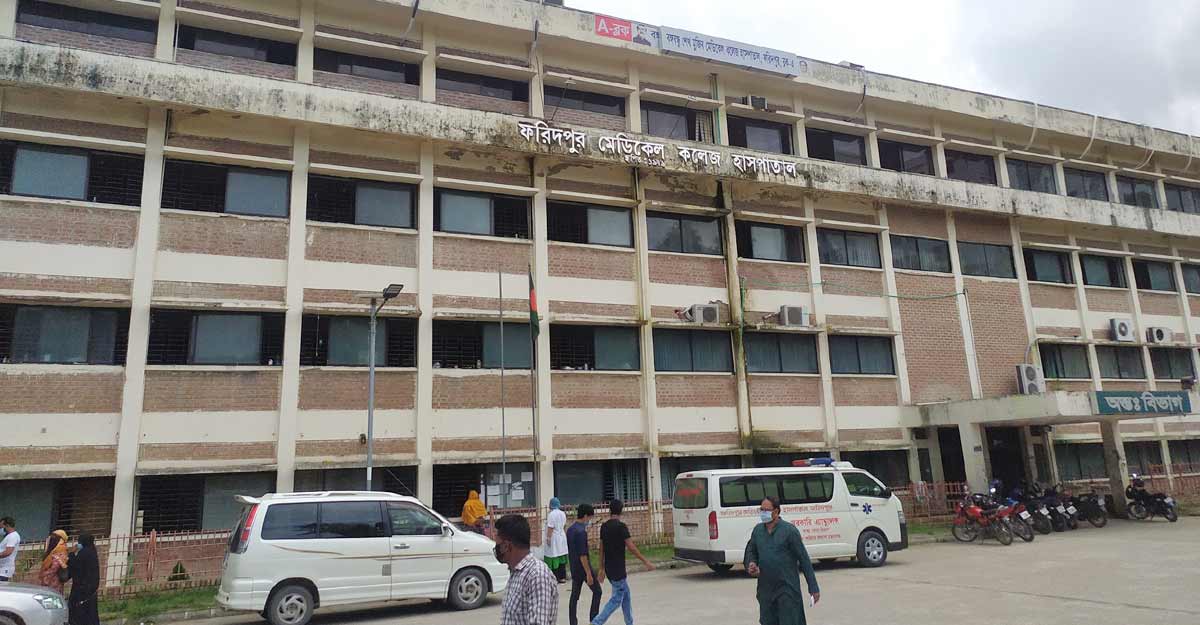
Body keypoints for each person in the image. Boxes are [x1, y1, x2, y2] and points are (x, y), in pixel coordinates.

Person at [744, 496, 820, 625]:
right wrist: (751, 564)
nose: (763, 513)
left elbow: (804, 559)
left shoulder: (789, 531)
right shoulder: (758, 531)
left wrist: (813, 587)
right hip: (766, 589)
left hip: (787, 588)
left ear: (776, 511)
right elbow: (751, 551)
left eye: (766, 510)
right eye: (761, 509)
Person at [591, 500, 655, 625]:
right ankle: (596, 623)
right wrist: (646, 561)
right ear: (621, 511)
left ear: (610, 510)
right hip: (618, 570)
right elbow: (632, 547)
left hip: (609, 568)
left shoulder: (604, 527)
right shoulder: (621, 527)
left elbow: (601, 549)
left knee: (626, 596)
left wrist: (601, 568)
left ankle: (629, 622)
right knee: (616, 600)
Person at [494, 514, 558, 625]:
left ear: (507, 546)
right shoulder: (517, 572)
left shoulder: (537, 575)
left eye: (498, 545)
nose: (496, 550)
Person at [567, 503, 602, 625]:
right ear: (586, 516)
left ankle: (573, 621)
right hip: (583, 567)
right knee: (597, 591)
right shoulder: (581, 532)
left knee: (574, 596)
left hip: (574, 566)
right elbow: (583, 555)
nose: (590, 520)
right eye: (590, 517)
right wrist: (588, 573)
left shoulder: (570, 530)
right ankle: (594, 619)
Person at [67, 534, 101, 625]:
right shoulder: (92, 551)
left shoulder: (84, 553)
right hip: (91, 588)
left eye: (79, 542)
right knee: (90, 611)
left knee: (78, 610)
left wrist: (72, 554)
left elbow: (76, 566)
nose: (78, 544)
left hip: (82, 588)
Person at [543, 497, 568, 583]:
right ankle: (562, 577)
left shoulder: (551, 514)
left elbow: (551, 527)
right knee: (561, 557)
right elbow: (564, 526)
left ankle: (555, 578)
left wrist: (548, 538)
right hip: (562, 536)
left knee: (554, 557)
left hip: (554, 538)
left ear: (551, 505)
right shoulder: (563, 513)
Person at [0, 517, 20, 582]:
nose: (1, 529)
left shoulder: (13, 536)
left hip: (4, 570)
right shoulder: (9, 536)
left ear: (7, 525)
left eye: (1, 527)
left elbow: (8, 552)